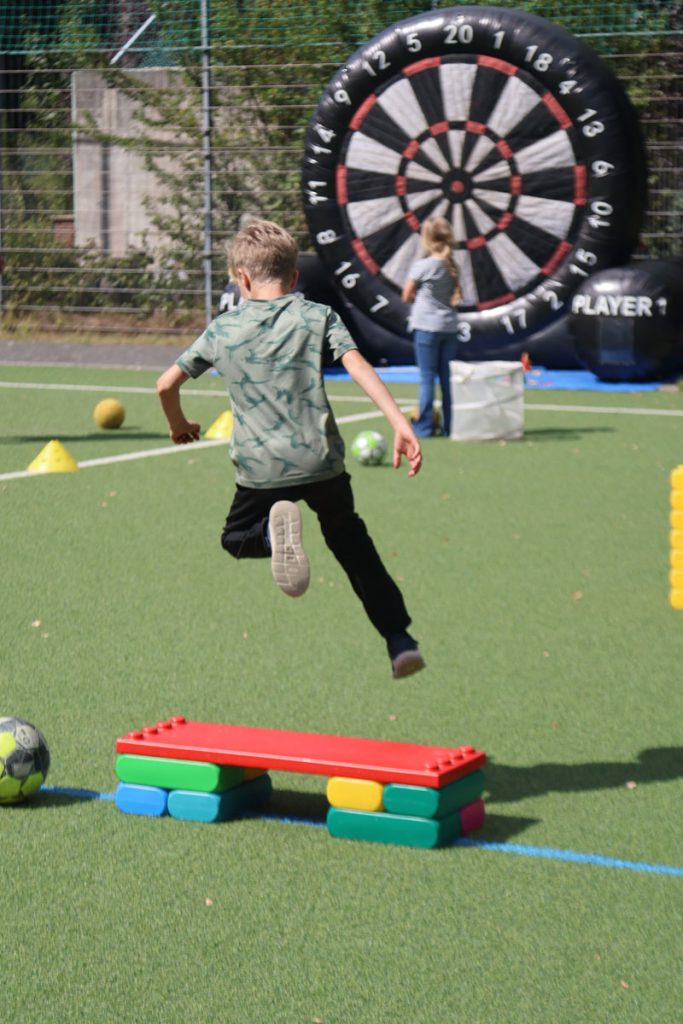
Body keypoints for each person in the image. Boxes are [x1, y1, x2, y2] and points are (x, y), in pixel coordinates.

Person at [156, 219, 425, 679]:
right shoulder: (317, 316)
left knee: (234, 538)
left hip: (261, 471)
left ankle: (268, 537)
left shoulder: (223, 329)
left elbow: (165, 384)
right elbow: (358, 366)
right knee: (351, 544)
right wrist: (399, 422)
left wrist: (179, 425)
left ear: (241, 279)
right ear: (295, 277)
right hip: (321, 462)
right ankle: (399, 641)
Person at [401, 216, 462, 438]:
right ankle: (450, 427)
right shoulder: (451, 265)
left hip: (426, 327)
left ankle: (424, 427)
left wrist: (419, 297)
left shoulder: (423, 265)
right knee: (446, 380)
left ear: (426, 239)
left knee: (427, 379)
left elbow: (406, 295)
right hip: (449, 327)